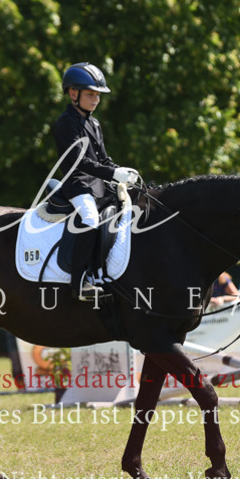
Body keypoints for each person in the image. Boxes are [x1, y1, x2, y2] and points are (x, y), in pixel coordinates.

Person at [54, 61, 139, 301]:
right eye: (90, 94)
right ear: (73, 93)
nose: (96, 99)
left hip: (99, 184)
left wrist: (121, 171)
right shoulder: (66, 123)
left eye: (98, 95)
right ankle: (79, 281)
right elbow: (79, 161)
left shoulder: (94, 123)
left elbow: (102, 158)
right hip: (78, 184)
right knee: (90, 219)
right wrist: (112, 174)